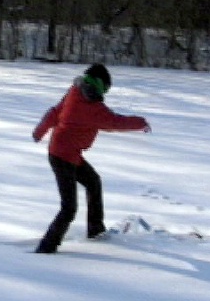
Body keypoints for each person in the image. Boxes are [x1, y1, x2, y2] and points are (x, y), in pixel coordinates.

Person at [32, 63, 150, 254]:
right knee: (69, 208)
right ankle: (46, 248)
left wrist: (40, 132)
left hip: (64, 153)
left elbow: (54, 112)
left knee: (93, 182)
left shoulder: (75, 92)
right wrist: (141, 123)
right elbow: (114, 122)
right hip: (64, 158)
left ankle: (95, 230)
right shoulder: (91, 107)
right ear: (100, 84)